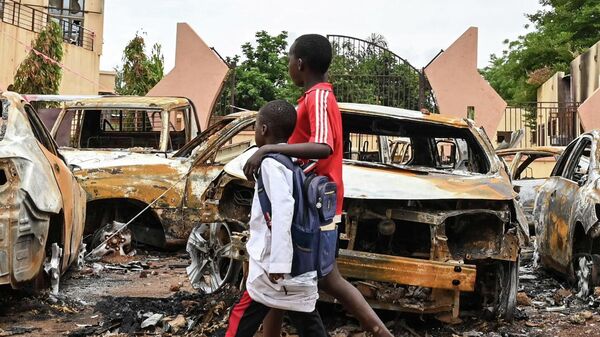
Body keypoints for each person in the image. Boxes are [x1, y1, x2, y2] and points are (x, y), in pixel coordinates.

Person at [243, 34, 393, 337]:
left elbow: (323, 146)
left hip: (316, 208)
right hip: (307, 205)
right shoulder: (311, 97)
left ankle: (381, 333)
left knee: (328, 279)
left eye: (288, 60)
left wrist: (269, 150)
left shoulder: (320, 97)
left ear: (300, 63)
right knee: (283, 278)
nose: (288, 66)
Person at [225, 100, 327, 337]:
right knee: (308, 322)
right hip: (296, 262)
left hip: (272, 263)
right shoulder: (290, 161)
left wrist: (279, 263)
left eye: (257, 124)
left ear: (263, 130)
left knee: (242, 317)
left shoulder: (271, 163)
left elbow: (283, 209)